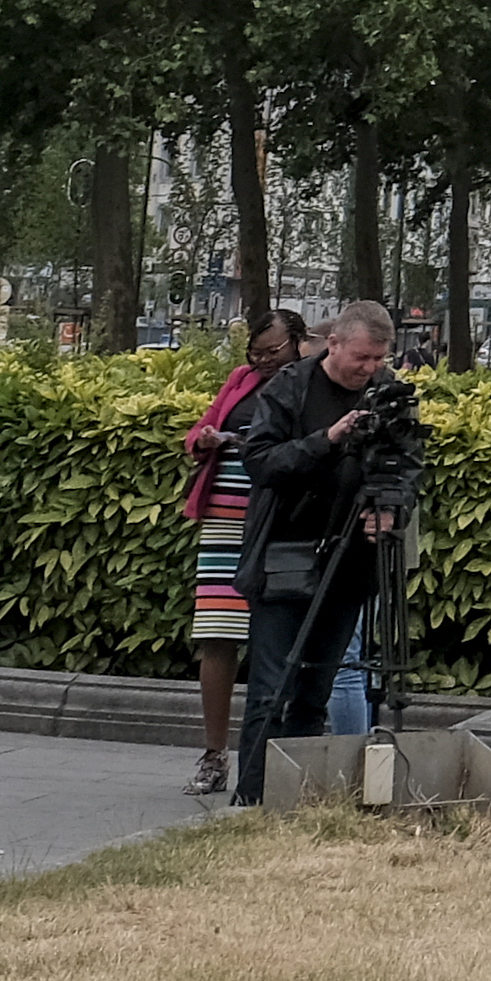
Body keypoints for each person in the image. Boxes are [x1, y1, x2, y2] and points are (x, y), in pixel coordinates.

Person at [223, 296, 424, 807]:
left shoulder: (387, 394)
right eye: (362, 358)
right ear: (332, 343)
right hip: (284, 557)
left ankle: (299, 798)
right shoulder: (289, 386)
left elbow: (408, 465)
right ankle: (251, 799)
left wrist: (391, 510)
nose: (370, 369)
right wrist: (327, 440)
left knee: (316, 690)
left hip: (352, 562)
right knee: (272, 689)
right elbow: (260, 462)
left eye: (379, 359)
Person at [179, 307, 306, 798]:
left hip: (275, 519)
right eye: (255, 353)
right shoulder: (241, 378)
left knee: (273, 637)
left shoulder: (307, 381)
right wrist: (206, 440)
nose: (262, 361)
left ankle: (275, 755)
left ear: (296, 341)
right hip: (225, 520)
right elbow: (198, 430)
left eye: (272, 351)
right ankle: (214, 756)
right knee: (216, 633)